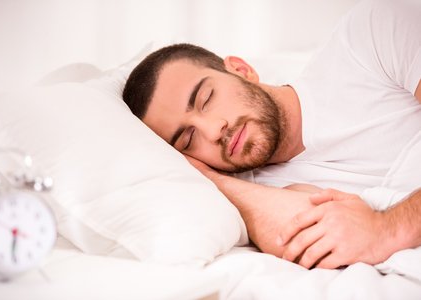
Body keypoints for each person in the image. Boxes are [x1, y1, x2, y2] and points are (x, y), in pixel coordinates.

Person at [122, 0, 421, 269]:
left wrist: (387, 229)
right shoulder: (260, 195)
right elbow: (309, 246)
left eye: (206, 98)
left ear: (242, 69)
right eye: (188, 139)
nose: (213, 131)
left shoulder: (369, 36)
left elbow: (379, 234)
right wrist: (211, 178)